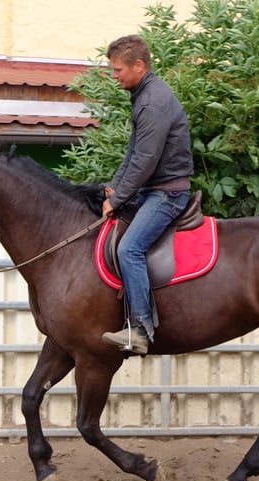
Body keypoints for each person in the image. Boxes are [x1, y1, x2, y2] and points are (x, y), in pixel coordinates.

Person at [101, 35, 194, 355]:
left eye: (118, 70)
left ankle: (140, 329)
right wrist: (115, 186)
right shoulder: (144, 96)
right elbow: (134, 152)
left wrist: (118, 199)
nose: (115, 76)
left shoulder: (152, 101)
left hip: (167, 194)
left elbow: (146, 160)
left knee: (129, 249)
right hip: (152, 188)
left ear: (138, 66)